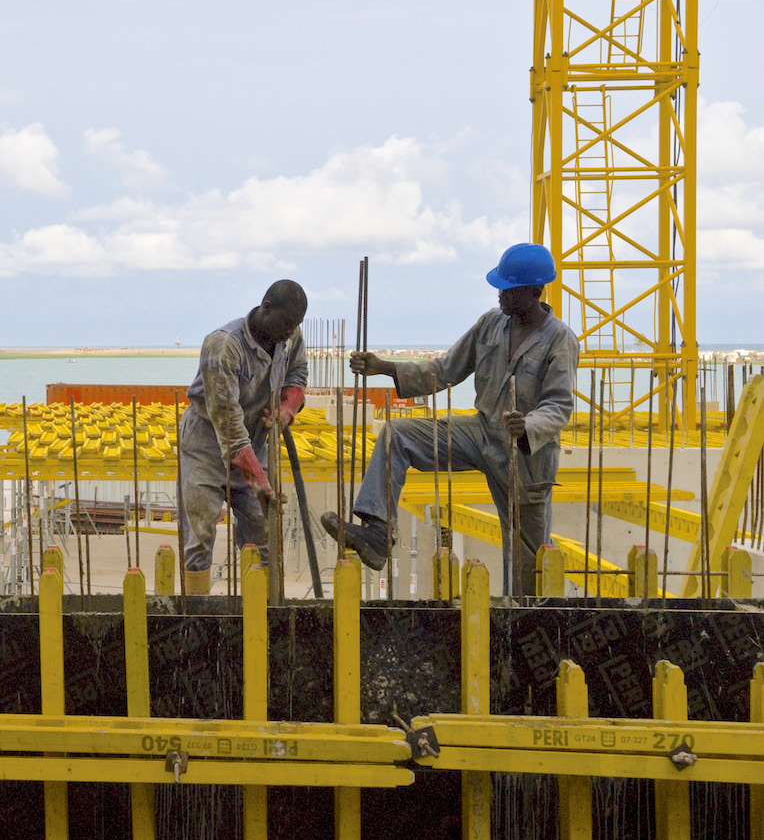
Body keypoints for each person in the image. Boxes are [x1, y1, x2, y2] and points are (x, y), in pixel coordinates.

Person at [320, 242, 578, 597]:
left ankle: (524, 620)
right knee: (398, 435)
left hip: (526, 454)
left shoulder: (560, 340)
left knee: (528, 554)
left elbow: (560, 404)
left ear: (534, 292)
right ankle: (378, 532)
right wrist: (385, 368)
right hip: (482, 432)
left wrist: (529, 425)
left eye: (508, 288)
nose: (499, 293)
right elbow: (445, 370)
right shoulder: (491, 323)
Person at [179, 280, 309, 595]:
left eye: (296, 325)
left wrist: (287, 409)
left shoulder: (290, 337)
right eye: (286, 323)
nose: (291, 331)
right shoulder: (224, 345)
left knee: (263, 530)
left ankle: (259, 612)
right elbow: (228, 425)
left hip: (256, 439)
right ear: (266, 309)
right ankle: (196, 615)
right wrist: (258, 479)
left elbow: (298, 375)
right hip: (207, 444)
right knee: (200, 535)